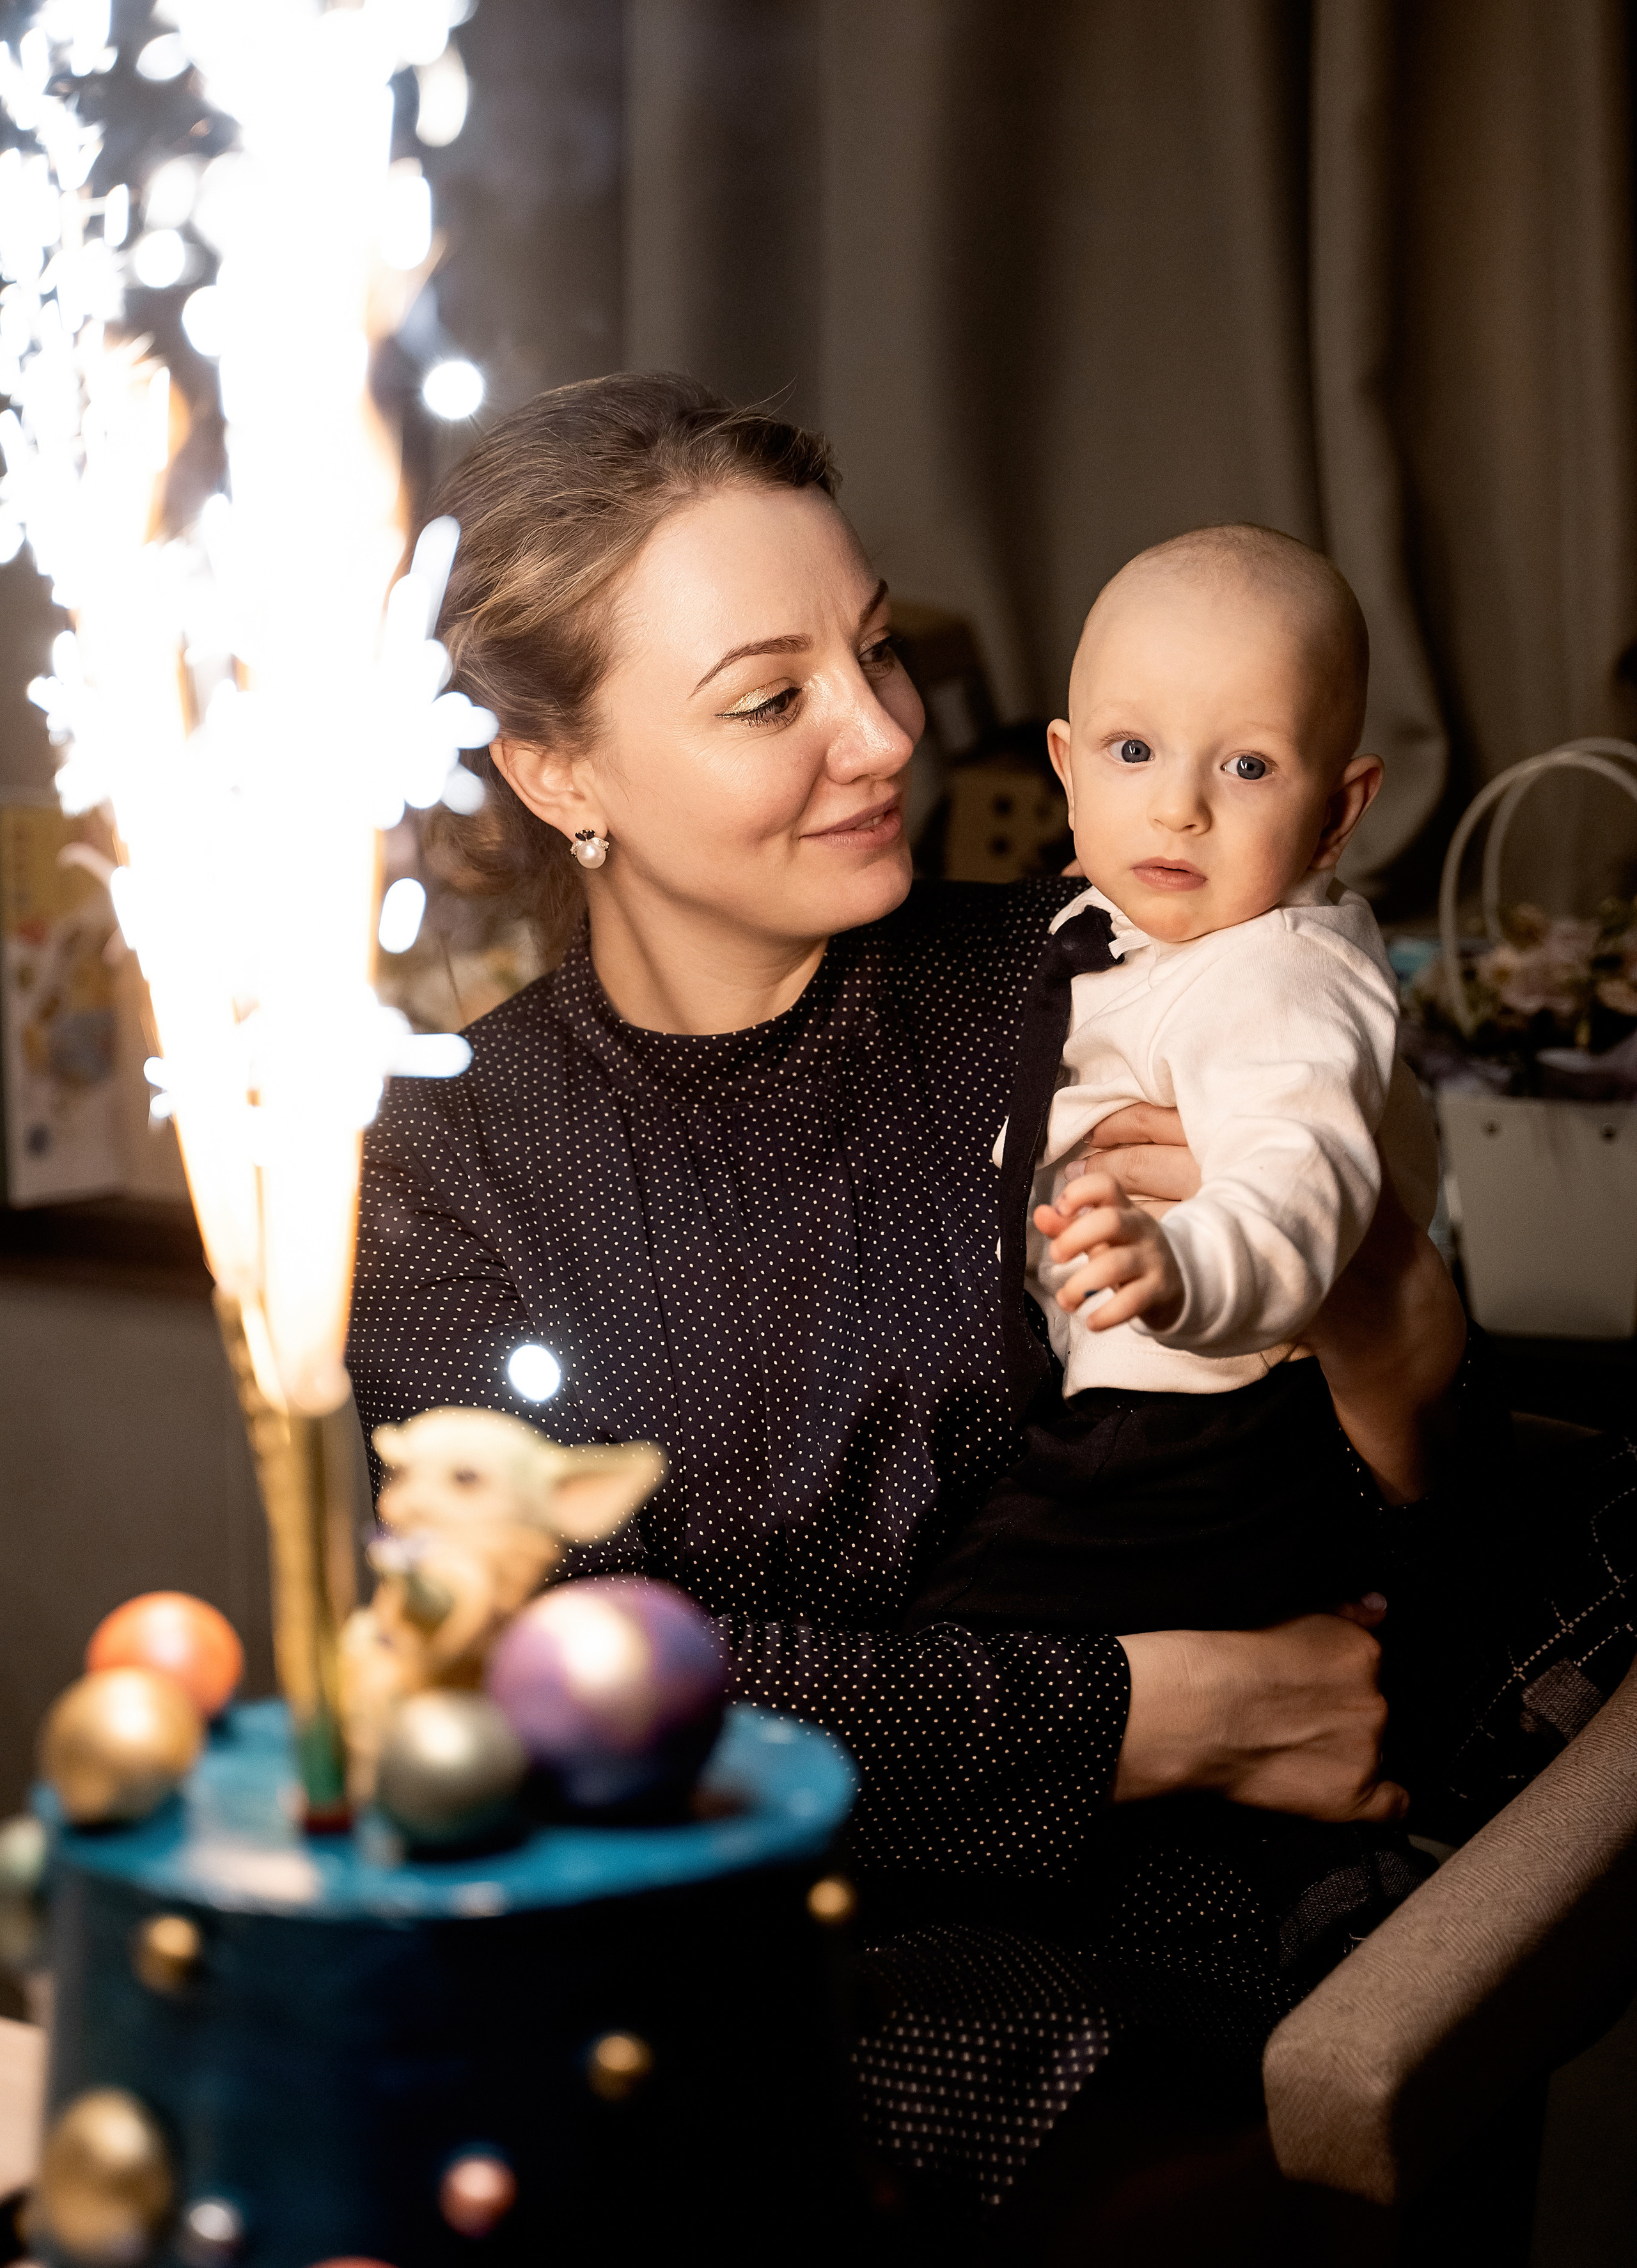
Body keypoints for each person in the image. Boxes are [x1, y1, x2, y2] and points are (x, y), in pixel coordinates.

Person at [345, 373, 1635, 2234]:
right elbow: (565, 1714)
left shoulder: (1097, 979)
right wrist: (1152, 1713)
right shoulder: (451, 1171)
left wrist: (1364, 1286)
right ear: (562, 776)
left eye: (875, 651)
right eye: (772, 697)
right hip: (688, 1992)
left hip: (1174, 1948)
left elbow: (1396, 1542)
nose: (884, 734)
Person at [912, 522, 1446, 1641]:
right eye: (1132, 752)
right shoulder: (1116, 918)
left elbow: (1297, 1185)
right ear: (1065, 768)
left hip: (1203, 1412)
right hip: (1133, 1388)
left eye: (1246, 766)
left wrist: (1182, 1262)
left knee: (979, 1619)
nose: (1177, 809)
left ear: (1339, 814)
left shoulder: (1283, 979)